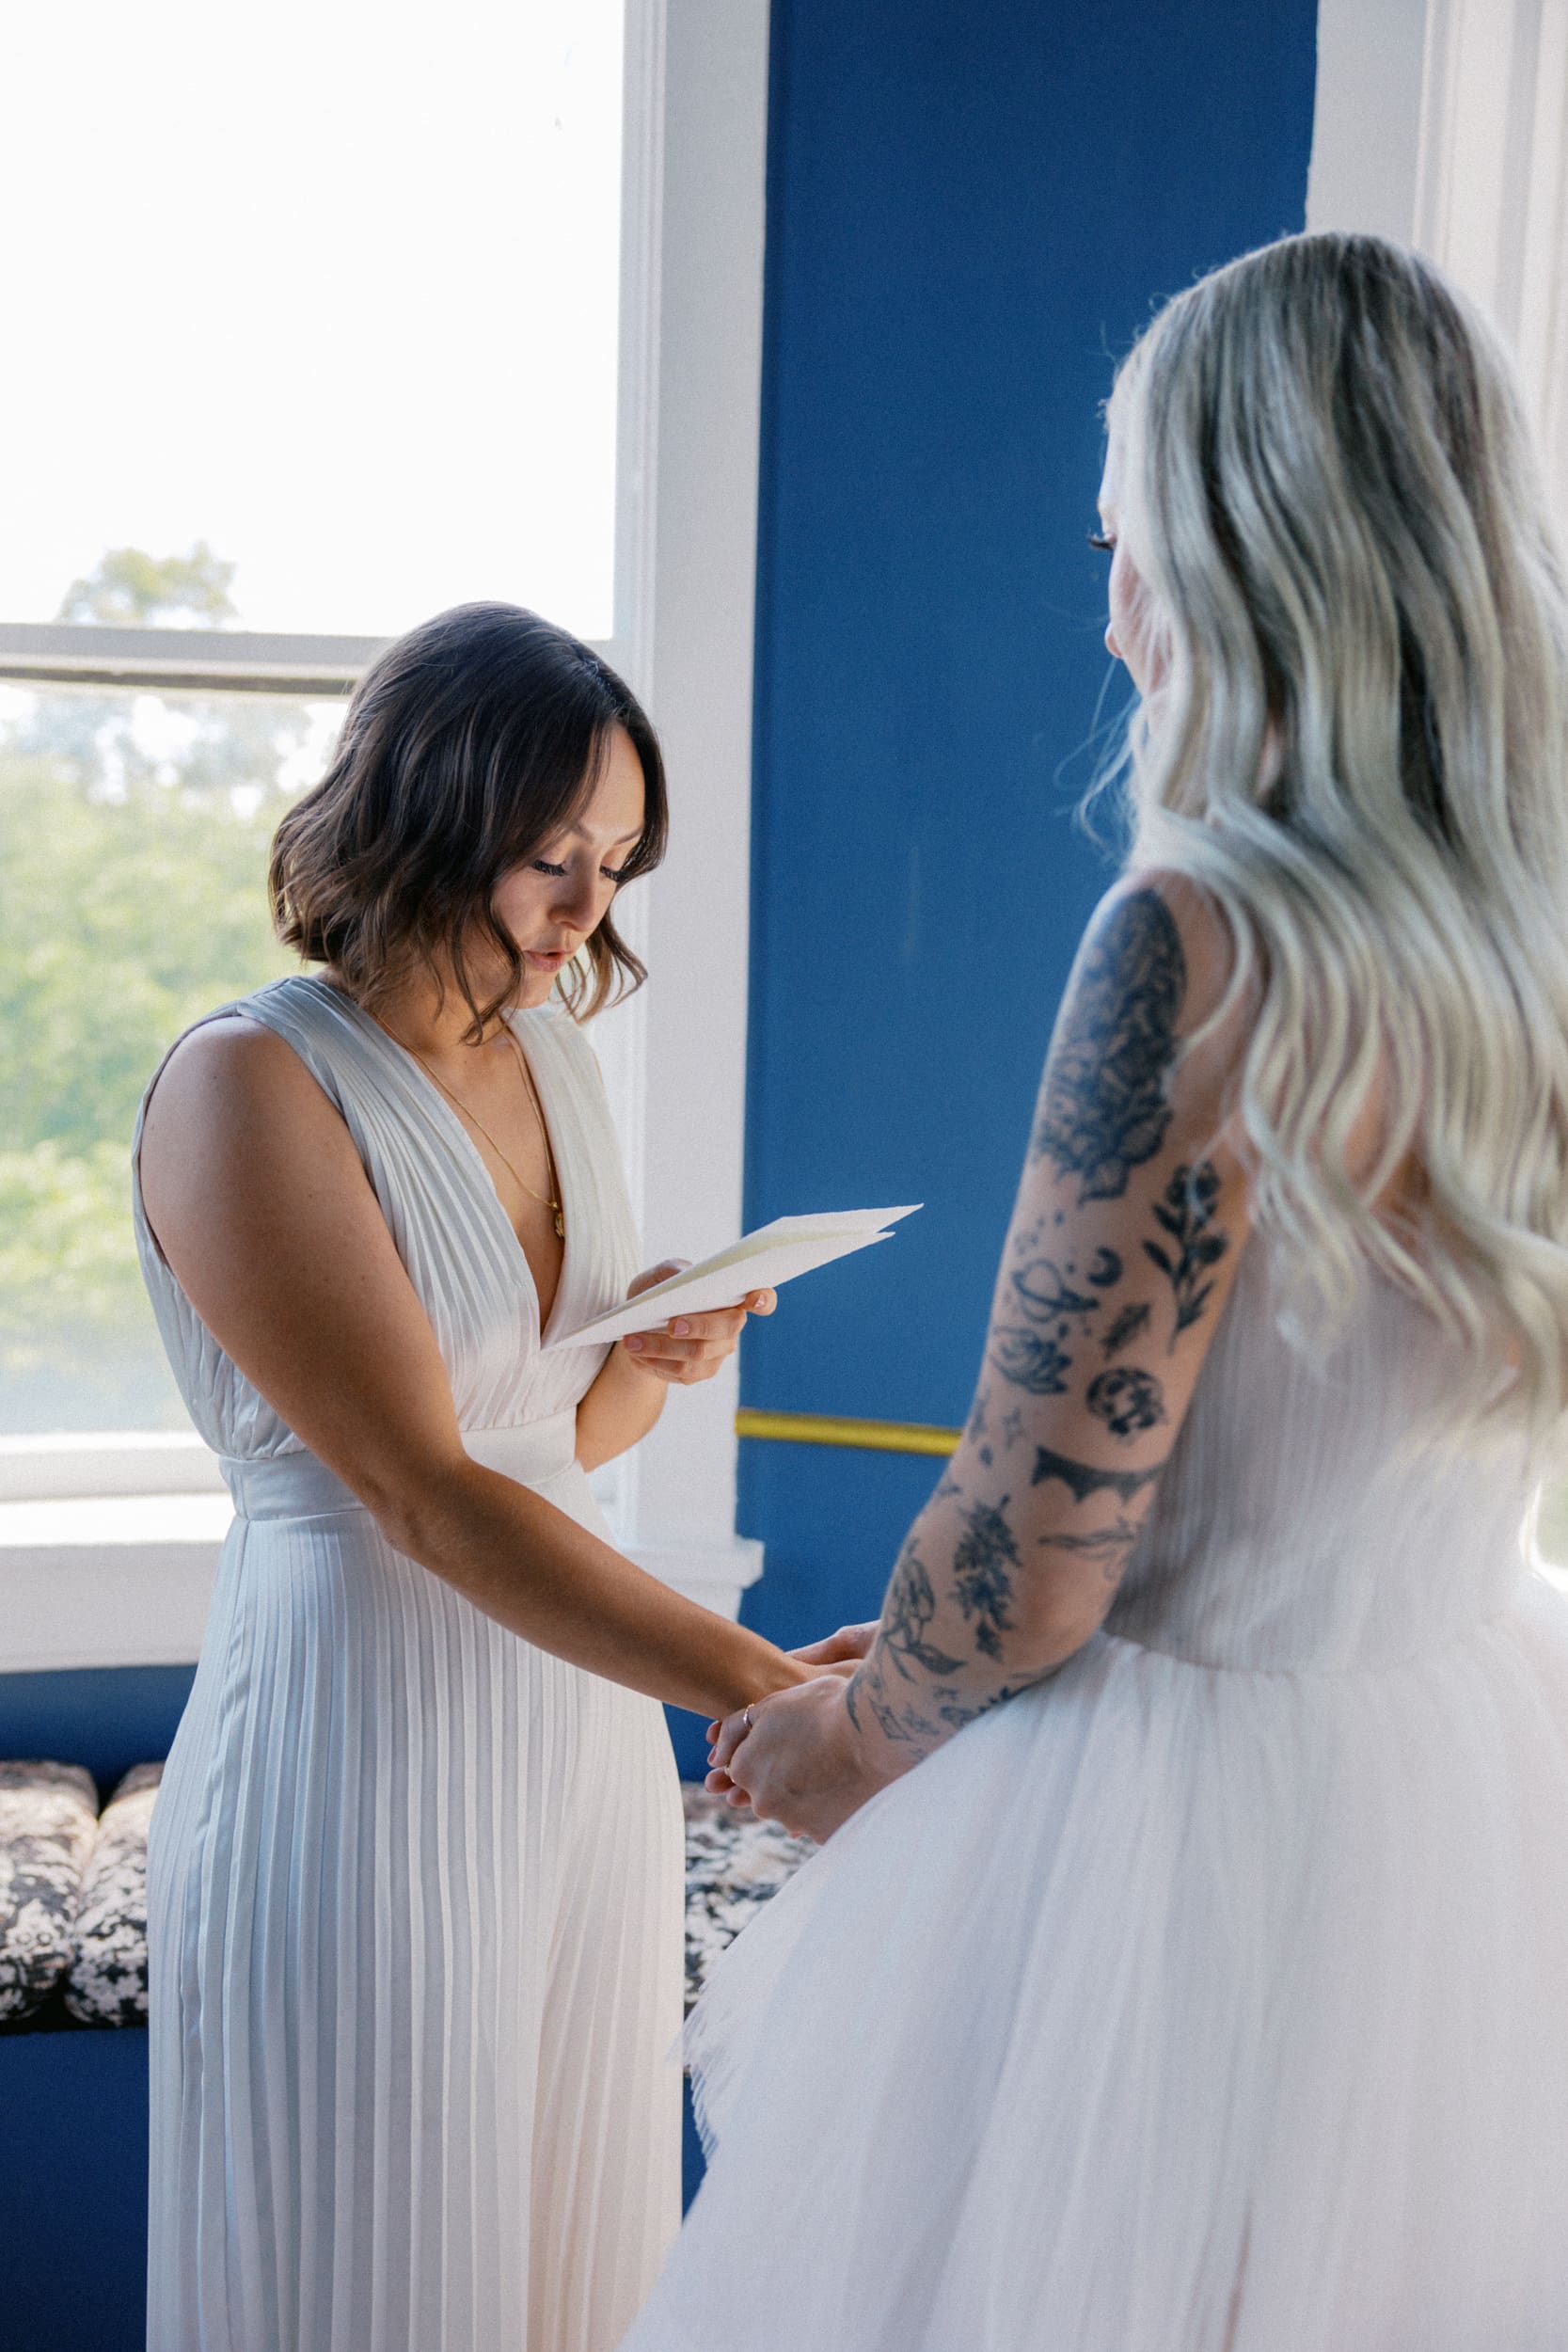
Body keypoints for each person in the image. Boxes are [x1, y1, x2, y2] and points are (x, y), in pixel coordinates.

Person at [618, 234, 1568, 2351]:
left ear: (1235, 545)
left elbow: (1043, 1543)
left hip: (1173, 1840)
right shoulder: (1538, 941)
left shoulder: (1201, 938)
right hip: (1460, 1788)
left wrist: (852, 1730)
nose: (1114, 600)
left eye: (1123, 530)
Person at [132, 602, 811, 2352]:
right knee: (376, 2269)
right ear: (427, 810)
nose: (589, 910)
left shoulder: (554, 1058)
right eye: (553, 856)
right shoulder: (249, 1084)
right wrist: (768, 1690)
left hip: (575, 1754)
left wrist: (645, 1353)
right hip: (356, 1752)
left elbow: (554, 1448)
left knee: (570, 2270)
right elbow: (424, 1493)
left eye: (618, 864)